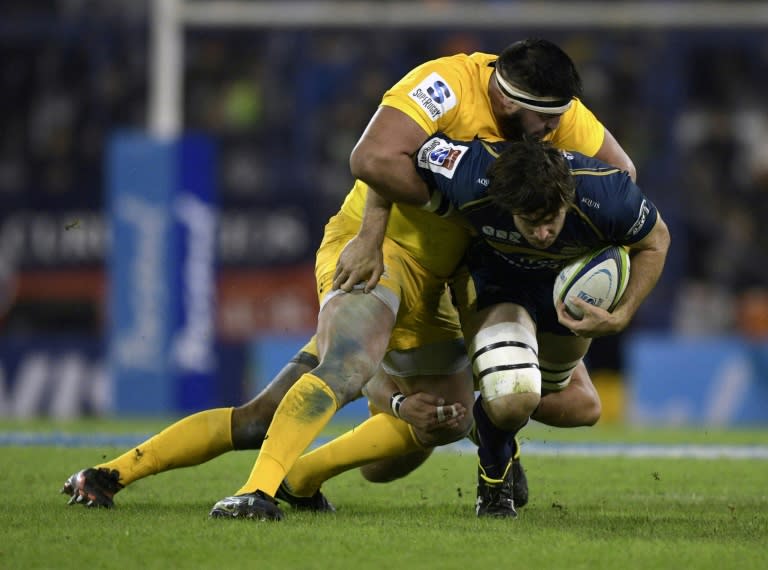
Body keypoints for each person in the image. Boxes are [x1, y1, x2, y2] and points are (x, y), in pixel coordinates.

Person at [61, 38, 632, 514]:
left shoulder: (554, 116)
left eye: (561, 116)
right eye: (546, 117)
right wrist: (380, 231)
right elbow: (373, 157)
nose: (557, 128)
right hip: (378, 252)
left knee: (412, 423)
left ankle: (113, 474)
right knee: (351, 364)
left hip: (450, 277)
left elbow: (618, 178)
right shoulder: (447, 85)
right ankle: (256, 493)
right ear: (508, 98)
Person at [272, 134, 669, 519]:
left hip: (557, 292)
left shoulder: (607, 193)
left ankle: (483, 414)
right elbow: (381, 157)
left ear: (567, 198)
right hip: (494, 289)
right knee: (500, 400)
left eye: (551, 221)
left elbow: (657, 240)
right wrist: (370, 235)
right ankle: (492, 482)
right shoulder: (467, 171)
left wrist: (622, 313)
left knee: (582, 407)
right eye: (530, 222)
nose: (543, 233)